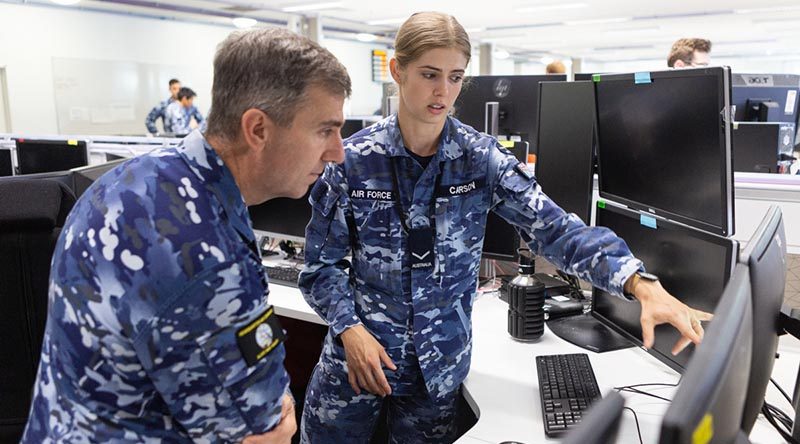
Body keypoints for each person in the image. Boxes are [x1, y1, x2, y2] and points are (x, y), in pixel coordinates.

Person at [299, 11, 711, 443]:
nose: (443, 91)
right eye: (429, 74)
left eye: (456, 77)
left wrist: (639, 283)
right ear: (397, 70)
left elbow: (557, 230)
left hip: (436, 371)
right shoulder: (352, 160)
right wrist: (350, 329)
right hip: (357, 363)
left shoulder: (480, 159)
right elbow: (319, 269)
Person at [22, 27, 351, 443]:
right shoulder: (208, 259)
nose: (337, 151)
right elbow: (268, 435)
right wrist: (281, 416)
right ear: (258, 129)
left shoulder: (127, 179)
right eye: (325, 129)